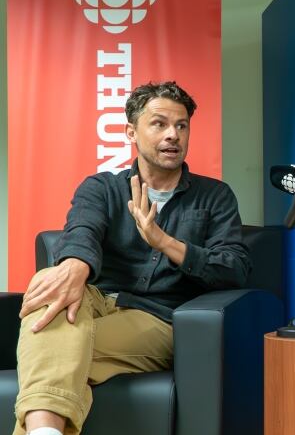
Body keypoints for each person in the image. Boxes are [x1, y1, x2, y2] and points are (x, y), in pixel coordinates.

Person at [14, 81, 251, 435]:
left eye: (181, 125)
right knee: (46, 284)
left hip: (157, 319)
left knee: (49, 344)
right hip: (94, 301)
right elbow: (82, 230)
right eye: (159, 124)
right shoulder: (102, 187)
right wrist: (74, 266)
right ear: (131, 131)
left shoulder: (215, 197)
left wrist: (164, 242)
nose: (173, 135)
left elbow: (234, 269)